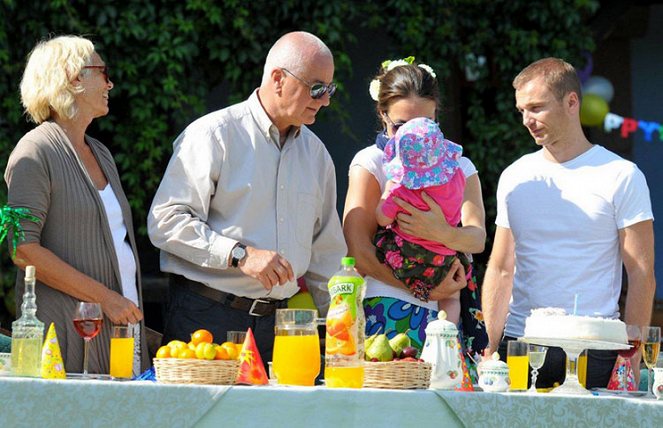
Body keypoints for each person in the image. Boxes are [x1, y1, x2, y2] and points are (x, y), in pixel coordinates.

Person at [147, 31, 347, 365]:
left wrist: (345, 327)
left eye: (330, 89)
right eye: (316, 88)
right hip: (206, 318)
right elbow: (165, 222)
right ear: (278, 79)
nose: (325, 100)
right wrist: (239, 254)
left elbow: (327, 255)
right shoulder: (213, 135)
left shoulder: (317, 155)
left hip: (284, 329)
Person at [482, 57, 656, 389]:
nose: (526, 120)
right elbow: (502, 267)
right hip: (521, 342)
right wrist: (491, 345)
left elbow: (641, 273)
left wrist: (630, 358)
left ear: (571, 102)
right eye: (521, 110)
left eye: (536, 108)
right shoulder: (515, 176)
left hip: (597, 346)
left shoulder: (622, 175)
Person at [4, 35, 148, 375]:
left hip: (119, 335)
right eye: (103, 71)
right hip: (67, 338)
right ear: (73, 77)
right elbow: (22, 249)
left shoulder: (101, 153)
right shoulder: (33, 152)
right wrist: (107, 299)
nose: (110, 83)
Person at [344, 58, 488, 364]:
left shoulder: (459, 164)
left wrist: (441, 232)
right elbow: (358, 251)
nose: (415, 136)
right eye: (401, 126)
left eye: (427, 124)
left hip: (447, 312)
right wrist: (427, 291)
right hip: (388, 304)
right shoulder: (371, 162)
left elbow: (477, 239)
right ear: (382, 114)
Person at [374, 117, 470, 323]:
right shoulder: (458, 176)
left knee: (381, 241)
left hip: (409, 259)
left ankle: (418, 291)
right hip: (444, 258)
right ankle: (448, 329)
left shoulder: (401, 190)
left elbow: (382, 219)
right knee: (452, 297)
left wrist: (386, 193)